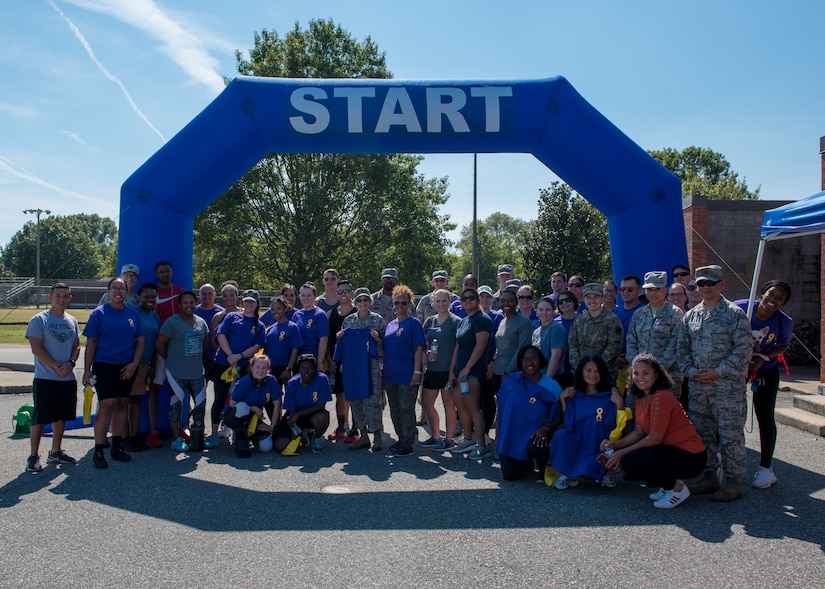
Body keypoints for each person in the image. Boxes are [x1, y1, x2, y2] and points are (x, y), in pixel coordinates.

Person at [678, 265, 752, 502]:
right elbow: (682, 349)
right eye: (701, 284)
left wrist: (718, 372)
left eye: (711, 283)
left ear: (722, 284)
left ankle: (732, 482)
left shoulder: (734, 314)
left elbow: (743, 350)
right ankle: (709, 476)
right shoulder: (691, 316)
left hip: (726, 389)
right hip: (699, 388)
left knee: (729, 436)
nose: (705, 288)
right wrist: (690, 371)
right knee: (702, 434)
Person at [602, 353, 706, 509]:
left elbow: (654, 439)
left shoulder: (662, 397)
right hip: (671, 451)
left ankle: (678, 490)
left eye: (646, 373)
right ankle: (669, 485)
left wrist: (621, 453)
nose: (640, 377)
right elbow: (639, 431)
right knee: (631, 457)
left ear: (656, 375)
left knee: (629, 461)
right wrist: (615, 445)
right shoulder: (640, 396)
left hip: (691, 457)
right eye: (636, 373)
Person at [734, 280, 793, 489]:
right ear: (763, 293)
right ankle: (723, 461)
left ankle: (766, 469)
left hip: (765, 369)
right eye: (772, 294)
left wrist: (763, 358)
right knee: (729, 414)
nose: (774, 300)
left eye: (780, 298)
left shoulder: (783, 322)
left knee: (765, 416)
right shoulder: (741, 307)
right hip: (736, 367)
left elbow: (783, 344)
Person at [82, 277, 146, 468]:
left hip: (127, 366)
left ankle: (117, 447)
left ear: (126, 292)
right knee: (107, 404)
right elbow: (91, 342)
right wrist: (86, 370)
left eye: (122, 288)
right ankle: (99, 449)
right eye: (115, 288)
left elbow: (140, 341)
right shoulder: (99, 314)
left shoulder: (132, 314)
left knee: (122, 404)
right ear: (108, 291)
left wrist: (134, 364)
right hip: (104, 364)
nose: (118, 291)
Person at [24, 283, 80, 472]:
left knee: (61, 416)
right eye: (58, 296)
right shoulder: (39, 320)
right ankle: (33, 455)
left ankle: (55, 451)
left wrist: (70, 363)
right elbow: (36, 348)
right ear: (50, 297)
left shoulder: (72, 320)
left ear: (70, 299)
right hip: (45, 377)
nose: (61, 299)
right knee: (40, 417)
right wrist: (56, 366)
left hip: (66, 378)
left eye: (65, 296)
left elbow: (76, 346)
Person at [549, 355, 626, 490]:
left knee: (607, 447)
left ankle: (607, 473)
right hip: (579, 441)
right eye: (588, 370)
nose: (593, 374)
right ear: (581, 372)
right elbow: (568, 423)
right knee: (561, 435)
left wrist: (619, 403)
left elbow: (617, 426)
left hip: (599, 442)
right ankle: (569, 473)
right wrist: (562, 398)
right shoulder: (574, 394)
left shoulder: (610, 396)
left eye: (597, 371)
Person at [206, 289, 266, 449]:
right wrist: (230, 355)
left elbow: (257, 346)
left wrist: (238, 356)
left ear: (256, 304)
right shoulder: (232, 317)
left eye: (252, 302)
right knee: (220, 397)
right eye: (246, 301)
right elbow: (220, 335)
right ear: (242, 302)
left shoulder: (259, 325)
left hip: (244, 366)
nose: (249, 304)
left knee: (239, 398)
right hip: (223, 363)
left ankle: (233, 430)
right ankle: (213, 433)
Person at [495, 345, 562, 481]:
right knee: (510, 475)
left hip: (537, 434)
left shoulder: (551, 386)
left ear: (540, 360)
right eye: (525, 359)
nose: (529, 362)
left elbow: (560, 415)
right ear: (520, 362)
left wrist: (545, 428)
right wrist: (497, 436)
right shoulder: (511, 381)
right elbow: (501, 411)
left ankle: (544, 467)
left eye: (533, 358)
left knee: (538, 445)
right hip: (512, 436)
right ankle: (526, 463)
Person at [155, 291, 209, 452]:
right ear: (180, 305)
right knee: (175, 406)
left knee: (200, 405)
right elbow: (160, 344)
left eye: (191, 302)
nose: (188, 305)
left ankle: (198, 435)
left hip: (197, 372)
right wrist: (171, 359)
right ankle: (176, 439)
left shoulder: (201, 322)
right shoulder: (172, 323)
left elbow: (204, 343)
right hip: (176, 372)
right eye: (185, 303)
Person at [626, 271, 685, 413]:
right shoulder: (639, 314)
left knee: (663, 419)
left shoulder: (675, 314)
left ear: (665, 289)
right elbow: (631, 341)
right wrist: (638, 368)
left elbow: (675, 345)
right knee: (634, 416)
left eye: (657, 289)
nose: (653, 293)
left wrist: (654, 372)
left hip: (666, 378)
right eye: (649, 289)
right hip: (639, 378)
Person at [338, 288, 386, 450]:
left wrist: (377, 339)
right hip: (353, 367)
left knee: (373, 401)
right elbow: (342, 344)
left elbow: (385, 344)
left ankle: (377, 436)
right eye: (360, 300)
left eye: (366, 300)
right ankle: (363, 435)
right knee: (355, 400)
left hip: (371, 366)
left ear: (370, 302)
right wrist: (340, 338)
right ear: (355, 302)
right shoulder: (349, 322)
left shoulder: (378, 320)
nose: (363, 303)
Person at [382, 284, 426, 457]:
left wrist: (416, 372)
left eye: (403, 303)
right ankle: (401, 438)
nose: (400, 306)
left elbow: (418, 349)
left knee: (407, 409)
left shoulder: (414, 323)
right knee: (394, 409)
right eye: (397, 302)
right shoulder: (390, 325)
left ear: (409, 304)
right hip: (390, 374)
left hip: (407, 374)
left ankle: (408, 443)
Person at [449, 287, 493, 459]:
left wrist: (468, 367)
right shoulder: (463, 321)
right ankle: (468, 438)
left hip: (473, 373)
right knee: (461, 406)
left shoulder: (482, 319)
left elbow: (481, 345)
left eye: (471, 298)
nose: (468, 301)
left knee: (474, 407)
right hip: (460, 373)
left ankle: (481, 445)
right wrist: (452, 370)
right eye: (464, 298)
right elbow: (457, 347)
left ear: (478, 300)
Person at [419, 288, 462, 451]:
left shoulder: (456, 321)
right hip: (432, 369)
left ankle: (449, 439)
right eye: (438, 301)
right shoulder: (429, 321)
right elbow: (423, 343)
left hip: (448, 370)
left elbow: (459, 347)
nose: (441, 304)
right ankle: (436, 436)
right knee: (426, 403)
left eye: (444, 300)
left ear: (449, 302)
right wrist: (426, 351)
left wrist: (453, 371)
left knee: (448, 405)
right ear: (433, 303)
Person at [126, 283, 161, 451]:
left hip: (146, 363)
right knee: (127, 399)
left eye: (153, 297)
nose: (150, 300)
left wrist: (152, 365)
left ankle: (134, 435)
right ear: (138, 297)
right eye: (147, 296)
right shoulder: (133, 314)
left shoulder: (155, 317)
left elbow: (155, 343)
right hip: (131, 363)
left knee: (137, 399)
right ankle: (125, 437)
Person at [224, 355, 280, 457]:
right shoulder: (243, 383)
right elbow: (232, 404)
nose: (260, 370)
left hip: (252, 418)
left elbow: (277, 404)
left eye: (264, 368)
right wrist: (253, 408)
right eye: (257, 367)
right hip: (234, 416)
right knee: (242, 406)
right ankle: (240, 437)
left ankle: (251, 436)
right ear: (251, 367)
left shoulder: (271, 381)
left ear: (268, 369)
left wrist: (271, 426)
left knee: (266, 447)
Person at [567, 283, 623, 383]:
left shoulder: (612, 320)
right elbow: (573, 345)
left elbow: (614, 347)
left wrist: (595, 368)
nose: (592, 301)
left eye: (596, 297)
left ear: (602, 298)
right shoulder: (579, 321)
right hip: (580, 374)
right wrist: (581, 367)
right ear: (584, 299)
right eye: (588, 297)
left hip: (604, 374)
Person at [281, 354, 332, 454]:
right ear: (298, 369)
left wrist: (299, 414)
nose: (306, 371)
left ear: (315, 368)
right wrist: (294, 429)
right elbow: (291, 409)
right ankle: (302, 434)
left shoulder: (322, 379)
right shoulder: (292, 383)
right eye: (303, 368)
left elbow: (321, 405)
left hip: (313, 413)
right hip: (295, 414)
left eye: (310, 368)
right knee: (281, 446)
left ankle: (316, 438)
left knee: (322, 417)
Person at [326, 280, 357, 439]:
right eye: (340, 291)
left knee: (354, 395)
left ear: (352, 293)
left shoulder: (359, 313)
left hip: (354, 362)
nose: (343, 294)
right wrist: (330, 360)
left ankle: (355, 431)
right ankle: (341, 428)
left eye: (346, 291)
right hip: (337, 362)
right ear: (336, 294)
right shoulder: (330, 315)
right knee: (340, 395)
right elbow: (328, 341)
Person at [491, 289, 533, 397]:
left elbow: (522, 349)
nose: (506, 304)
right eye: (503, 301)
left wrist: (508, 372)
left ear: (516, 302)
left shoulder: (524, 322)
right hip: (497, 371)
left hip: (513, 373)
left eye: (510, 300)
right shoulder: (502, 321)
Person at [612, 275, 644, 392]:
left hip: (636, 369)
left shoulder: (644, 313)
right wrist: (615, 357)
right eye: (622, 289)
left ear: (639, 291)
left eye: (630, 289)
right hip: (615, 367)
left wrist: (628, 357)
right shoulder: (614, 312)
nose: (625, 292)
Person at [262, 296, 302, 388]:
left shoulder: (292, 327)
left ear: (285, 308)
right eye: (273, 309)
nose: (275, 312)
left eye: (279, 309)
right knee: (273, 397)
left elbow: (295, 350)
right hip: (271, 368)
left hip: (284, 367)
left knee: (289, 395)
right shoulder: (270, 329)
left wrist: (288, 369)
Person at [293, 282, 330, 371]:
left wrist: (320, 362)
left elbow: (323, 339)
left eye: (309, 295)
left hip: (312, 359)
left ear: (315, 297)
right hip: (298, 359)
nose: (306, 298)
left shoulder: (320, 314)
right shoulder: (297, 315)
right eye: (303, 295)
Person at [194, 283, 224, 382]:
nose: (207, 296)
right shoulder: (193, 312)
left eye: (210, 293)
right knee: (201, 386)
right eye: (204, 294)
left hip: (217, 357)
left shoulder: (222, 313)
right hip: (199, 357)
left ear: (215, 295)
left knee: (219, 385)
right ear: (199, 295)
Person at [533, 297, 565, 381]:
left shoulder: (556, 328)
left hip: (553, 378)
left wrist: (547, 381)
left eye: (547, 310)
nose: (544, 313)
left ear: (553, 311)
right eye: (541, 309)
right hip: (538, 377)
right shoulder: (536, 332)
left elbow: (556, 356)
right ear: (536, 311)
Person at [553, 289, 578, 387]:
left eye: (568, 300)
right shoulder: (554, 324)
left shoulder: (583, 321)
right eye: (561, 302)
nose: (564, 303)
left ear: (574, 301)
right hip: (559, 369)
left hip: (578, 368)